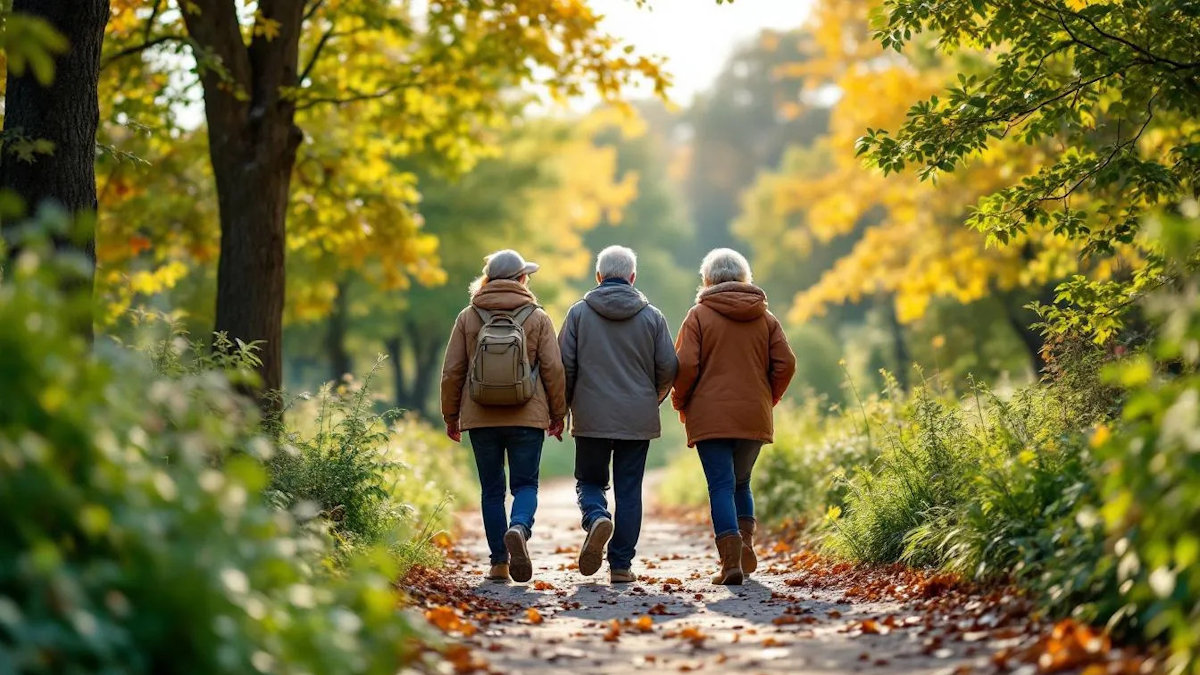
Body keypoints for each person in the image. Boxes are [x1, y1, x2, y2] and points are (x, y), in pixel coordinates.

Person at [440, 249, 567, 584]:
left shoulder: (468, 316)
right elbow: (554, 370)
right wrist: (558, 414)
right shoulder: (537, 317)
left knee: (491, 490)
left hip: (481, 416)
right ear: (521, 279)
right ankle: (519, 528)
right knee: (525, 484)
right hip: (527, 416)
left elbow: (452, 372)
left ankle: (499, 562)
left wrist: (451, 416)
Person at [671, 248, 796, 586]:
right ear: (745, 278)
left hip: (709, 417)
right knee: (742, 482)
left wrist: (680, 400)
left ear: (707, 279)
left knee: (721, 486)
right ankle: (745, 545)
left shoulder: (698, 316)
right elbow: (786, 364)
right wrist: (768, 397)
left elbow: (686, 366)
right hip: (752, 414)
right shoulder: (766, 319)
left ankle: (730, 562)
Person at [559, 246, 678, 584]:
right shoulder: (652, 316)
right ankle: (621, 565)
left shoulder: (578, 314)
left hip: (591, 417)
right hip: (636, 418)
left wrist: (563, 408)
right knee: (629, 490)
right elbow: (669, 366)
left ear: (598, 277)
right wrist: (650, 398)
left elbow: (563, 367)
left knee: (590, 481)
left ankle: (596, 516)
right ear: (632, 277)